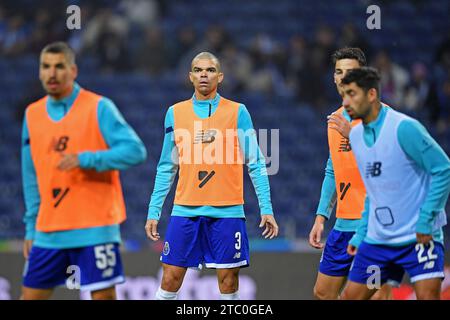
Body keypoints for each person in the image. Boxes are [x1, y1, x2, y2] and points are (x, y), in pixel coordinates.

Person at [145, 51, 278, 300]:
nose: (203, 74)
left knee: (228, 282)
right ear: (190, 77)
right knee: (170, 278)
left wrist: (266, 208)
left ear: (220, 76)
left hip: (227, 211)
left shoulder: (238, 112)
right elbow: (166, 166)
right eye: (198, 70)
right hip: (185, 209)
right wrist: (154, 211)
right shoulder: (175, 113)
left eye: (209, 70)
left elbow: (257, 163)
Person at [21, 42, 147, 299]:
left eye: (59, 66)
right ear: (40, 72)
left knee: (104, 297)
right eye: (46, 67)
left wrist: (87, 159)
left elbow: (136, 150)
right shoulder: (32, 114)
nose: (52, 73)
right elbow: (30, 175)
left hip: (95, 226)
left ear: (73, 70)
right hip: (49, 229)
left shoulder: (99, 107)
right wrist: (31, 227)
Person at [339, 67, 450, 300]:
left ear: (371, 95)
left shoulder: (404, 128)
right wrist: (360, 236)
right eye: (343, 95)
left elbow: (443, 169)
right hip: (378, 242)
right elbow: (373, 192)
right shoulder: (356, 137)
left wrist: (426, 218)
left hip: (417, 238)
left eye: (352, 94)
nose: (346, 102)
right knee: (350, 297)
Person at [309, 47, 396, 299]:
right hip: (343, 223)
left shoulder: (384, 116)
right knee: (323, 292)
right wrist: (321, 216)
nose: (343, 77)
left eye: (350, 72)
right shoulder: (335, 119)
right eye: (338, 72)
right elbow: (332, 168)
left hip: (377, 224)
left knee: (374, 295)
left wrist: (355, 136)